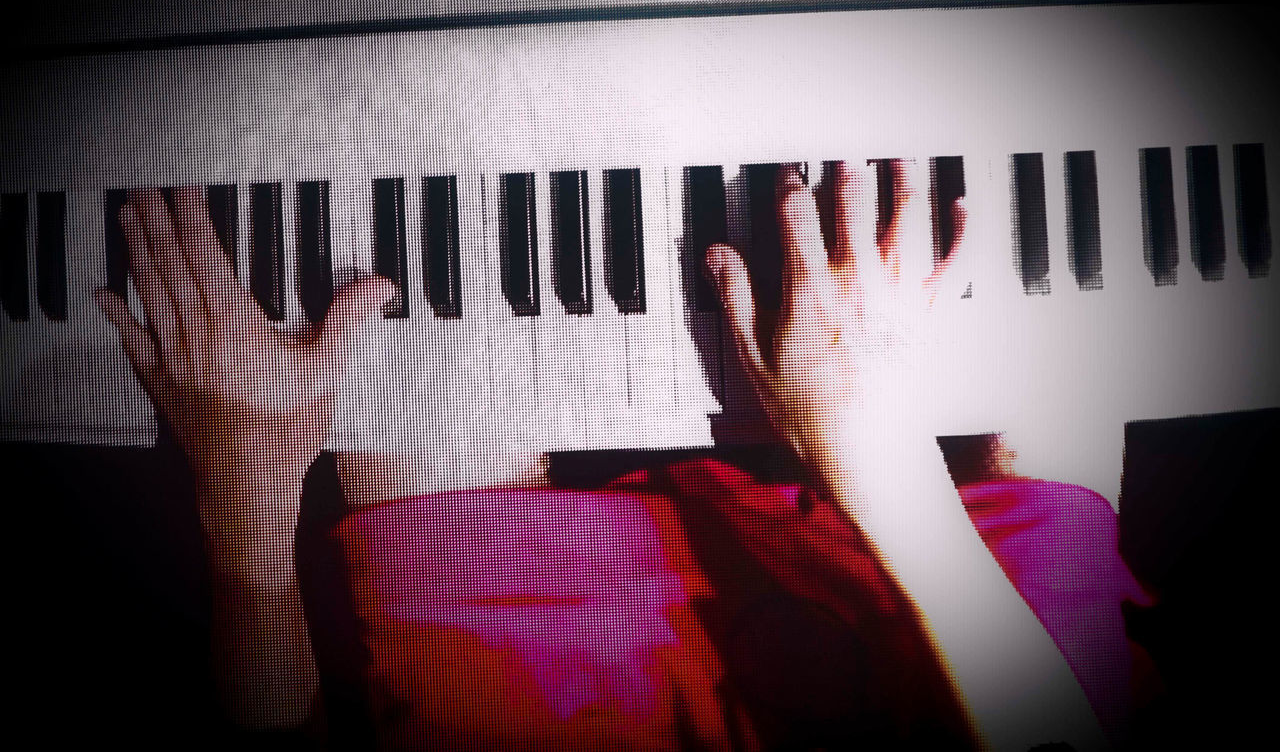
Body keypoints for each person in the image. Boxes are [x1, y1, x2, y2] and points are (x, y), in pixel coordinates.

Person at [95, 162, 1139, 750]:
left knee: (407, 320)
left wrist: (245, 497)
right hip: (981, 693)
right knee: (1056, 289)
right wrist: (872, 447)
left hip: (541, 709)